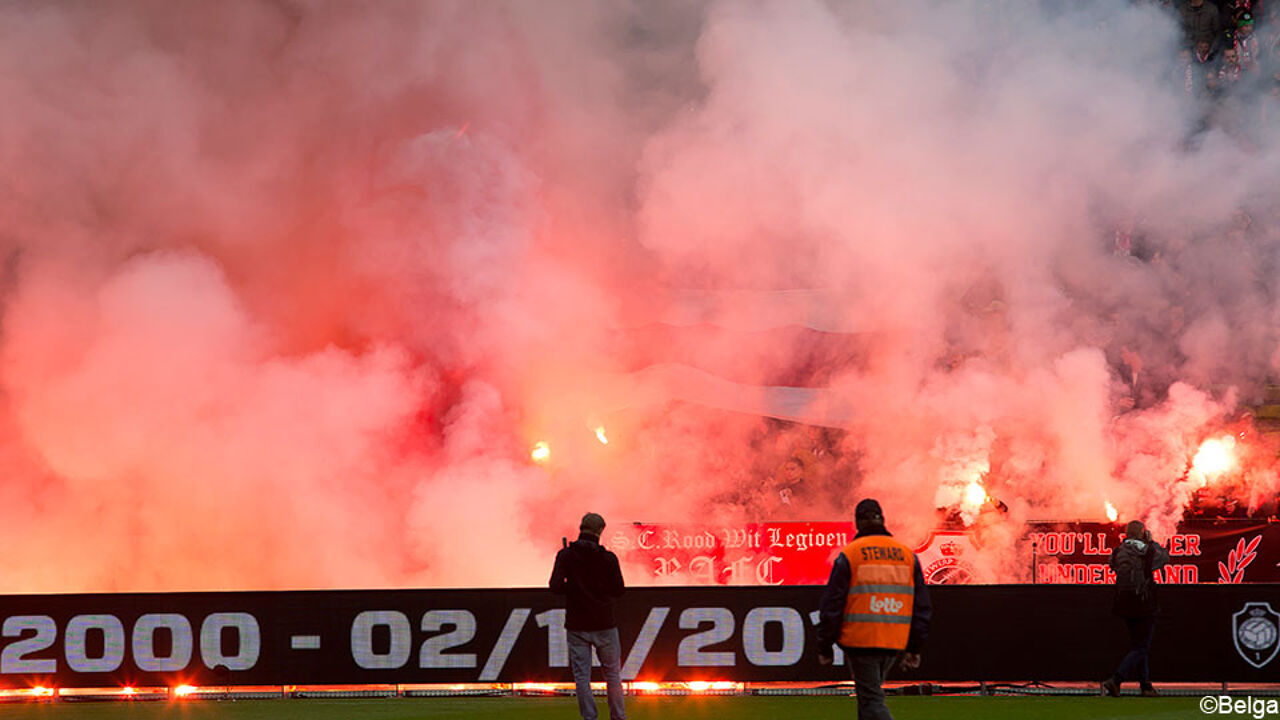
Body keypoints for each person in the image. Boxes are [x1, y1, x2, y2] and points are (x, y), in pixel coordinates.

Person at [817, 499, 932, 720]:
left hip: (861, 639)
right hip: (893, 640)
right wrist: (914, 648)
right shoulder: (907, 555)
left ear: (857, 523)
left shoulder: (852, 554)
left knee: (871, 699)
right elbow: (922, 607)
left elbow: (832, 604)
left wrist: (825, 645)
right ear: (882, 520)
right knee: (867, 697)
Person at [550, 512, 627, 720]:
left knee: (582, 677)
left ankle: (589, 717)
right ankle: (618, 717)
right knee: (612, 675)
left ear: (580, 527)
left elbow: (555, 586)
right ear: (600, 531)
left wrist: (575, 589)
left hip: (577, 624)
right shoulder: (608, 558)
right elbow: (619, 589)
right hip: (605, 623)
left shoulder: (566, 555)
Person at [1102, 520, 1170, 698]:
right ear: (1142, 533)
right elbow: (1164, 557)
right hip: (1144, 603)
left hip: (1124, 604)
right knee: (1142, 647)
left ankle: (1146, 686)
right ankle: (1116, 680)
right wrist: (1151, 542)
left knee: (1139, 646)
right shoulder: (1148, 550)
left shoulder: (1118, 551)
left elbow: (1112, 565)